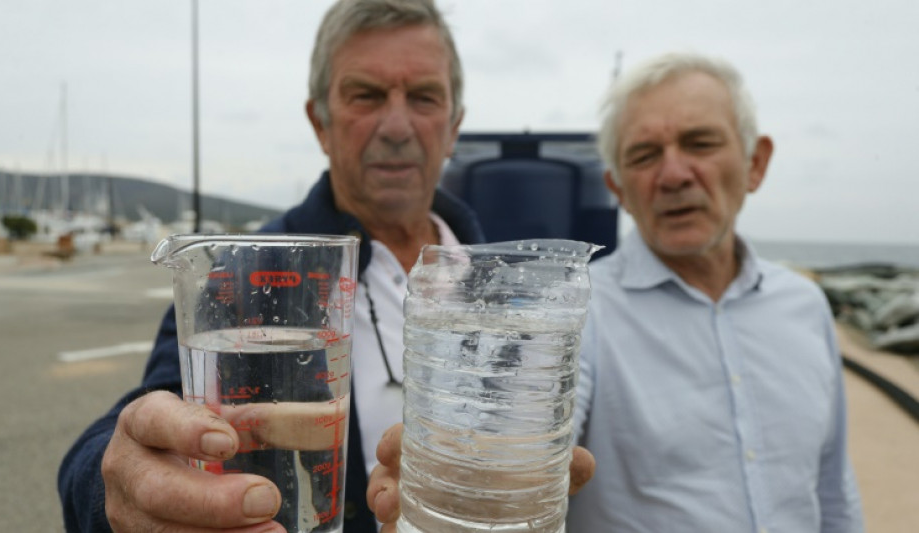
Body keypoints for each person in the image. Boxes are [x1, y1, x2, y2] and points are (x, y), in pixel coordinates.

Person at [367, 52, 865, 533]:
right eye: (644, 156)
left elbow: (833, 489)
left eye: (700, 143)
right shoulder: (577, 312)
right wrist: (463, 482)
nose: (674, 175)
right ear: (618, 187)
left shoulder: (805, 306)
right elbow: (520, 436)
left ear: (756, 162)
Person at [57, 1, 479, 531]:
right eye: (366, 95)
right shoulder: (248, 271)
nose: (397, 126)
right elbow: (133, 431)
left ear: (454, 125)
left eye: (424, 97)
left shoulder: (502, 278)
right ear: (320, 122)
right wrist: (123, 486)